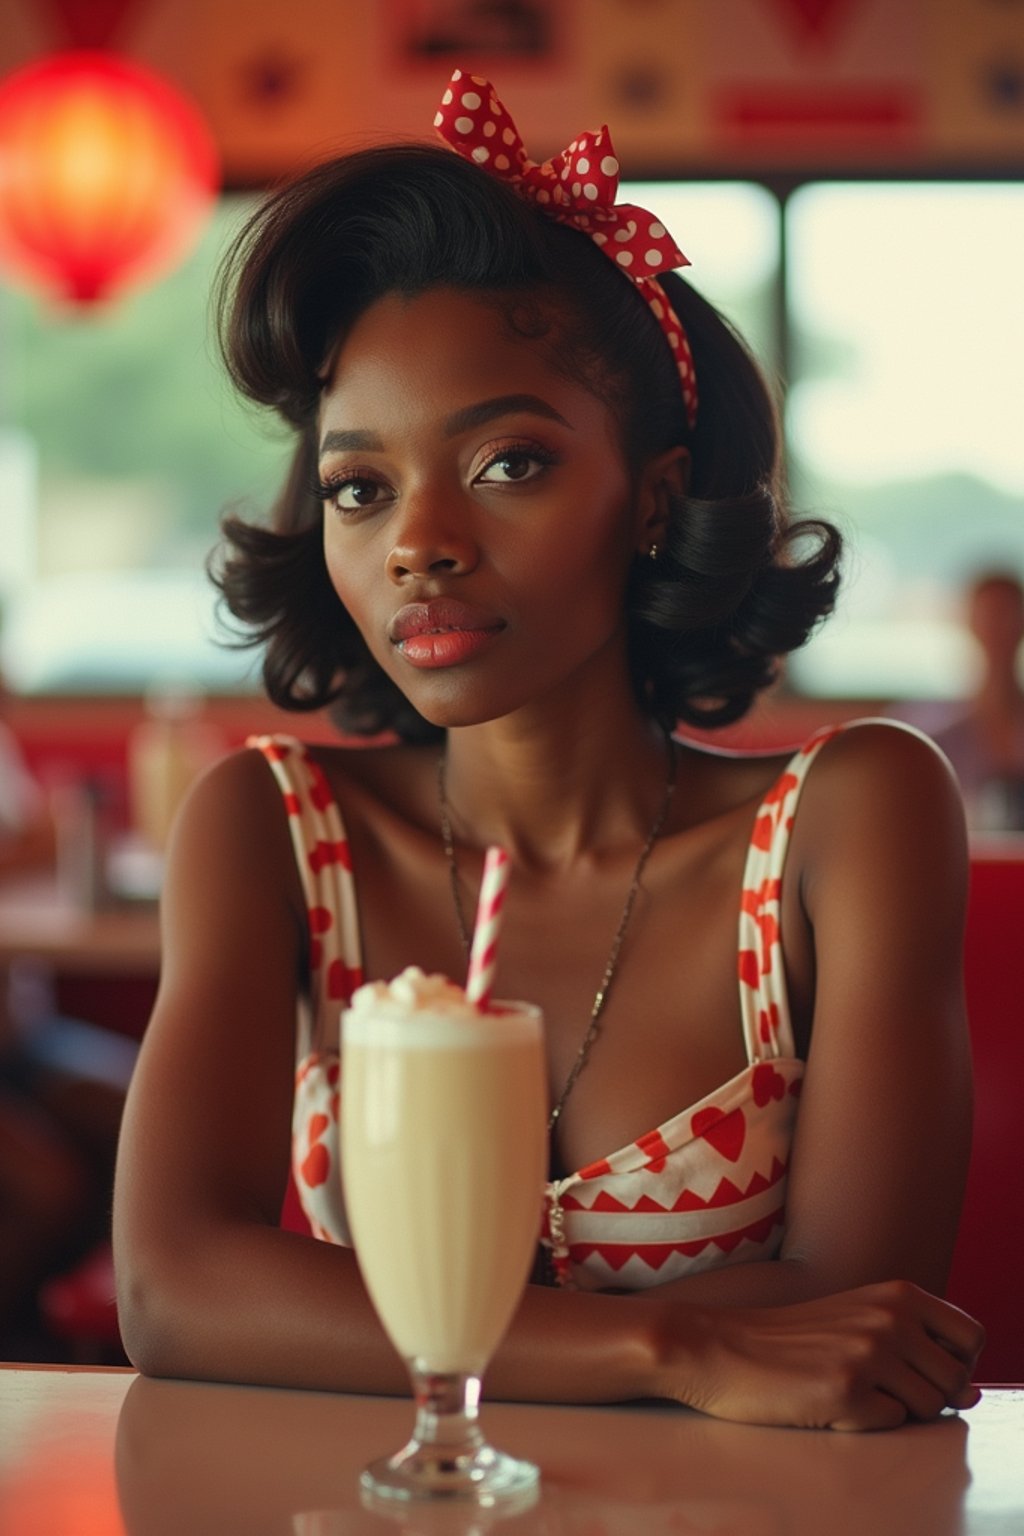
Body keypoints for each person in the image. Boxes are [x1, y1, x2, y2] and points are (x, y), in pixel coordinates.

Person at [112, 70, 984, 1431]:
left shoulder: (849, 820)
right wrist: (674, 1349)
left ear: (650, 497)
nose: (419, 542)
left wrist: (344, 1327)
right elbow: (174, 1293)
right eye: (360, 487)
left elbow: (864, 1323)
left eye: (507, 461)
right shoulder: (269, 827)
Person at [930, 570, 1024, 831]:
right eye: (989, 614)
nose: (999, 627)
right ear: (971, 622)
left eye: (1008, 614)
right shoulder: (938, 734)